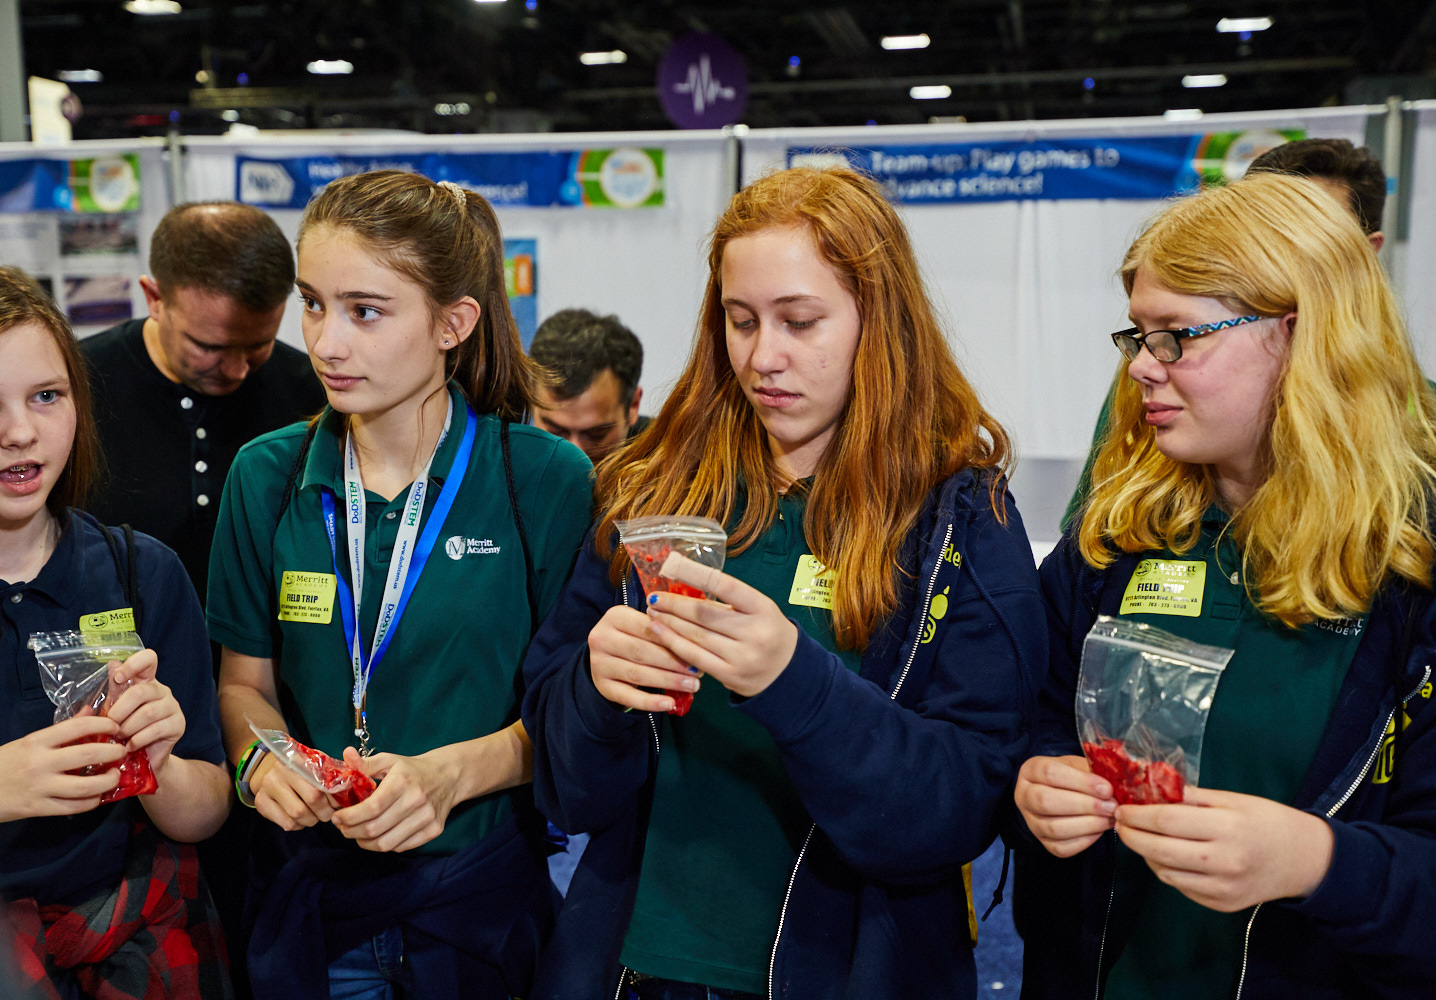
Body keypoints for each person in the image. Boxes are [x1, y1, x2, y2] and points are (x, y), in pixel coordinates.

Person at [522, 166, 1043, 999]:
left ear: (881, 319)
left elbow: (960, 808)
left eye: (801, 322)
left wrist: (796, 684)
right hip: (628, 969)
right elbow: (567, 788)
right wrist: (594, 689)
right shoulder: (651, 488)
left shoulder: (961, 517)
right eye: (741, 321)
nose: (764, 357)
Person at [1014, 173, 1436, 998]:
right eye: (1136, 335)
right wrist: (1036, 775)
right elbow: (1029, 717)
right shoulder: (1115, 540)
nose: (1141, 368)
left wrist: (1318, 862)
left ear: (1301, 332)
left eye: (1176, 335)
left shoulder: (1413, 564)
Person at [208, 171, 594, 999]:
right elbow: (243, 686)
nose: (325, 342)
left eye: (365, 311)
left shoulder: (544, 480)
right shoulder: (265, 475)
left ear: (453, 323)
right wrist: (265, 762)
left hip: (483, 914)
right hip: (313, 914)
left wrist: (454, 774)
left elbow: (576, 717)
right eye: (312, 304)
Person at [0, 257, 232, 997]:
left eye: (47, 396)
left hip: (137, 944)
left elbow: (204, 811)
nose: (21, 433)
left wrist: (158, 760)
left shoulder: (139, 572)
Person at [1060, 138, 1389, 529]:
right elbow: (1094, 530)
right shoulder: (1146, 379)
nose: (1277, 260)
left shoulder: (1411, 425)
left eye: (1315, 237)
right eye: (1254, 234)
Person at [82, 201, 325, 602]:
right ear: (154, 298)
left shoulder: (316, 395)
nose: (236, 370)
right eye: (209, 346)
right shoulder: (78, 386)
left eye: (258, 345)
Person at [529, 308, 650, 464]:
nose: (575, 457)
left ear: (633, 405)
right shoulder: (500, 461)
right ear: (530, 397)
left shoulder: (672, 467)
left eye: (596, 434)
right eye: (556, 432)